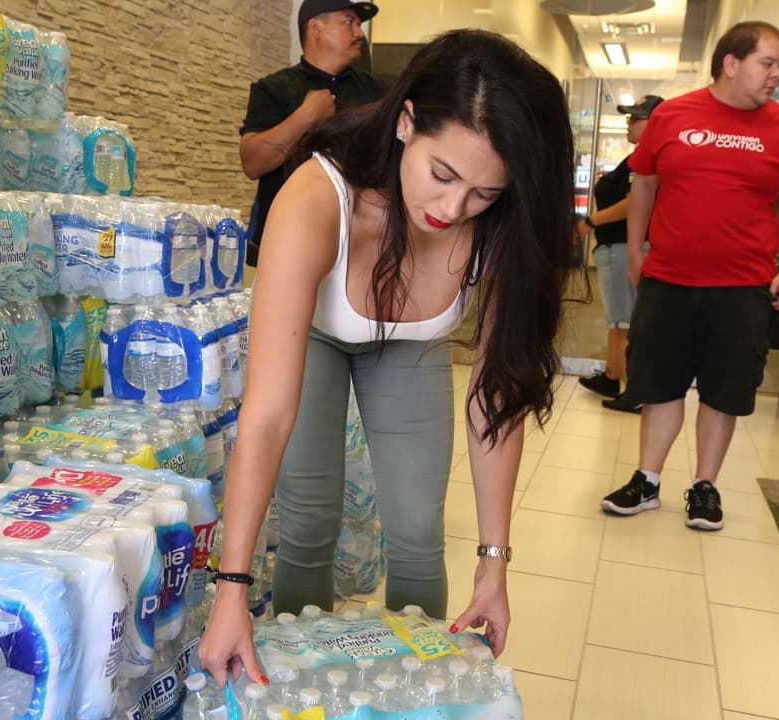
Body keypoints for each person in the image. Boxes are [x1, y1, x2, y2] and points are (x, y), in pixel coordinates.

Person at [199, 29, 574, 688]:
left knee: (417, 528)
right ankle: (297, 688)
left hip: (412, 343)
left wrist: (495, 562)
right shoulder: (316, 199)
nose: (453, 209)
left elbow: (497, 393)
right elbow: (265, 417)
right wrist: (232, 587)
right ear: (406, 123)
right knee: (313, 518)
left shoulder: (498, 222)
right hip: (313, 335)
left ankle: (413, 690)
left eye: (483, 193)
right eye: (443, 174)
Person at [601, 21, 779, 530]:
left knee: (723, 390)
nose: (777, 75)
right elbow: (645, 186)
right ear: (731, 62)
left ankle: (705, 488)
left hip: (743, 286)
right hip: (669, 279)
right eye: (769, 63)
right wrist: (635, 251)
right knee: (659, 384)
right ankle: (646, 481)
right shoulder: (674, 115)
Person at [239, 0, 385, 267]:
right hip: (283, 248)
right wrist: (306, 117)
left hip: (358, 252)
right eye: (349, 22)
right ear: (316, 28)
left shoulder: (378, 94)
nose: (360, 33)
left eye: (359, 25)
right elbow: (252, 162)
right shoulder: (273, 89)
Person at [575, 94, 664, 414]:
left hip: (626, 247)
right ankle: (613, 376)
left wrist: (590, 221)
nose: (629, 123)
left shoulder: (650, 159)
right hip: (618, 247)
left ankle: (634, 390)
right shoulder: (637, 159)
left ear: (655, 123)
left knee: (625, 321)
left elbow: (634, 204)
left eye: (636, 118)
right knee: (619, 320)